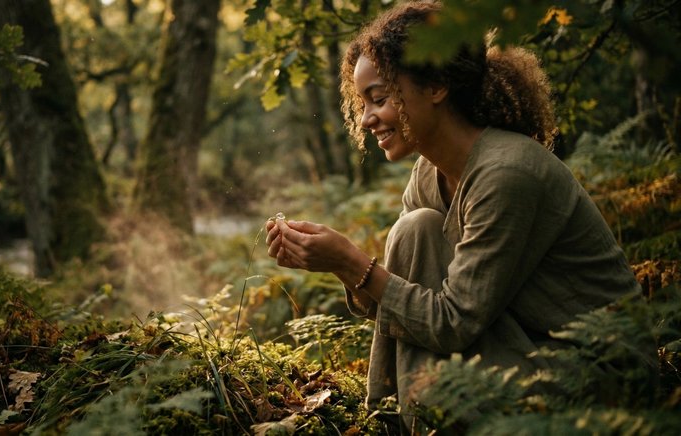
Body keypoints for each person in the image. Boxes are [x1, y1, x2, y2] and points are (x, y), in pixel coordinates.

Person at [265, 0, 641, 432]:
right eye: (362, 103)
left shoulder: (506, 173)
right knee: (415, 229)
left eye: (380, 98)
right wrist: (337, 266)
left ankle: (412, 421)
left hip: (599, 377)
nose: (367, 119)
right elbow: (407, 300)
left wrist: (354, 263)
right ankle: (392, 415)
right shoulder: (429, 173)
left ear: (436, 86)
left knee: (412, 232)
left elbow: (453, 323)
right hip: (522, 346)